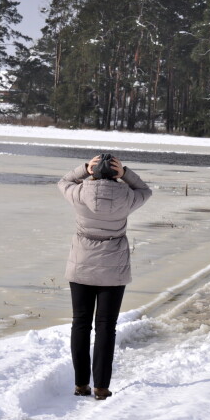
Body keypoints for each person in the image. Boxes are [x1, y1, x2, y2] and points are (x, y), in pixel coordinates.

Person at [58, 153, 152, 400]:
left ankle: (80, 385)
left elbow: (63, 182)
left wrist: (83, 169)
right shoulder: (127, 197)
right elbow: (145, 190)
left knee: (80, 323)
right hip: (113, 267)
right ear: (115, 173)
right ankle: (101, 387)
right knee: (105, 327)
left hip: (81, 264)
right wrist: (126, 174)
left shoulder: (80, 194)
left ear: (93, 172)